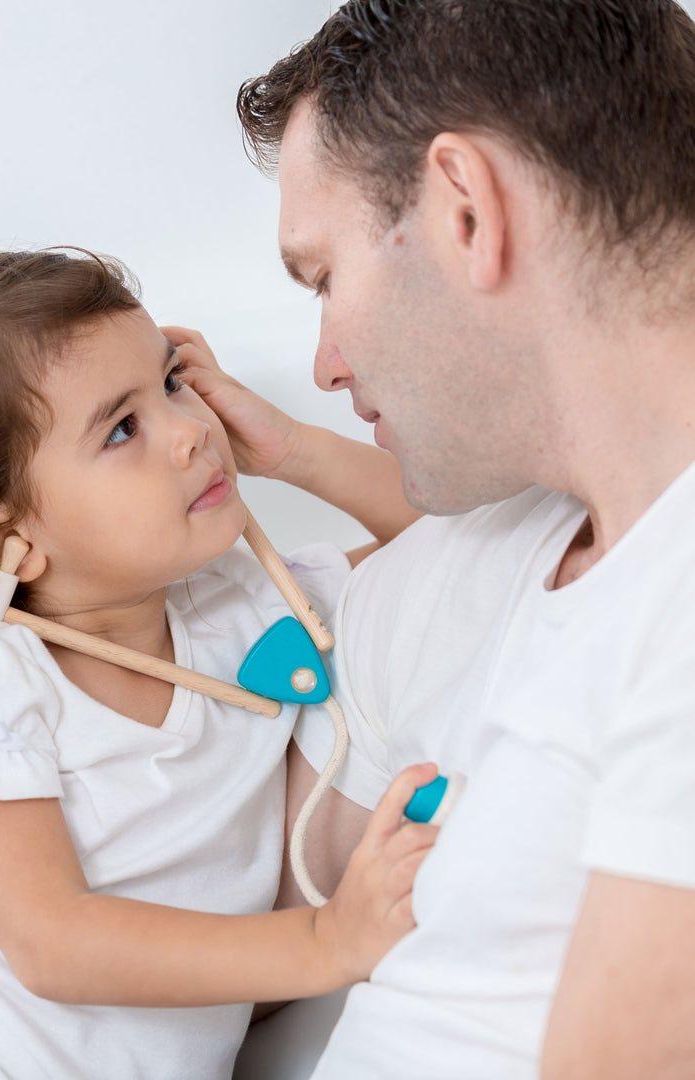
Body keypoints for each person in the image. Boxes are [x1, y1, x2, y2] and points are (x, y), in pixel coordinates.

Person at [0, 249, 434, 1080]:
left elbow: (446, 544)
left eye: (173, 382)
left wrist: (292, 450)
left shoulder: (243, 607)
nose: (190, 430)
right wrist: (323, 941)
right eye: (122, 428)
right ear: (1, 539)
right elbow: (52, 942)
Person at [210, 0, 695, 1076]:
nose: (326, 363)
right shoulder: (481, 561)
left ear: (466, 211)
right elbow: (206, 949)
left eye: (326, 276)